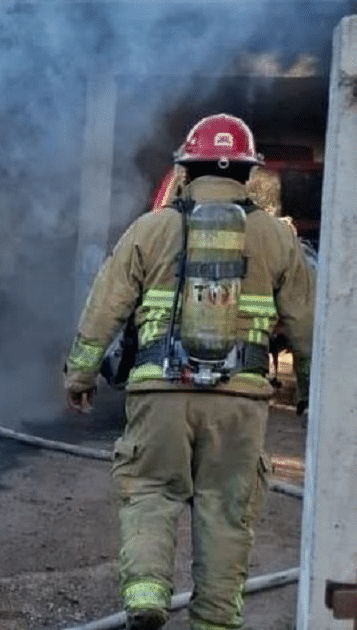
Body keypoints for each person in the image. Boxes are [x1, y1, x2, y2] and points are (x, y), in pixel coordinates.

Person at [63, 113, 313, 630]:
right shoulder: (277, 238)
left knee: (151, 492)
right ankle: (215, 622)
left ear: (185, 170)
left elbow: (104, 306)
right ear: (249, 173)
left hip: (160, 395)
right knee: (225, 512)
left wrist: (80, 375)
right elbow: (306, 325)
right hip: (240, 404)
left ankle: (148, 598)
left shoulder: (150, 228)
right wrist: (309, 392)